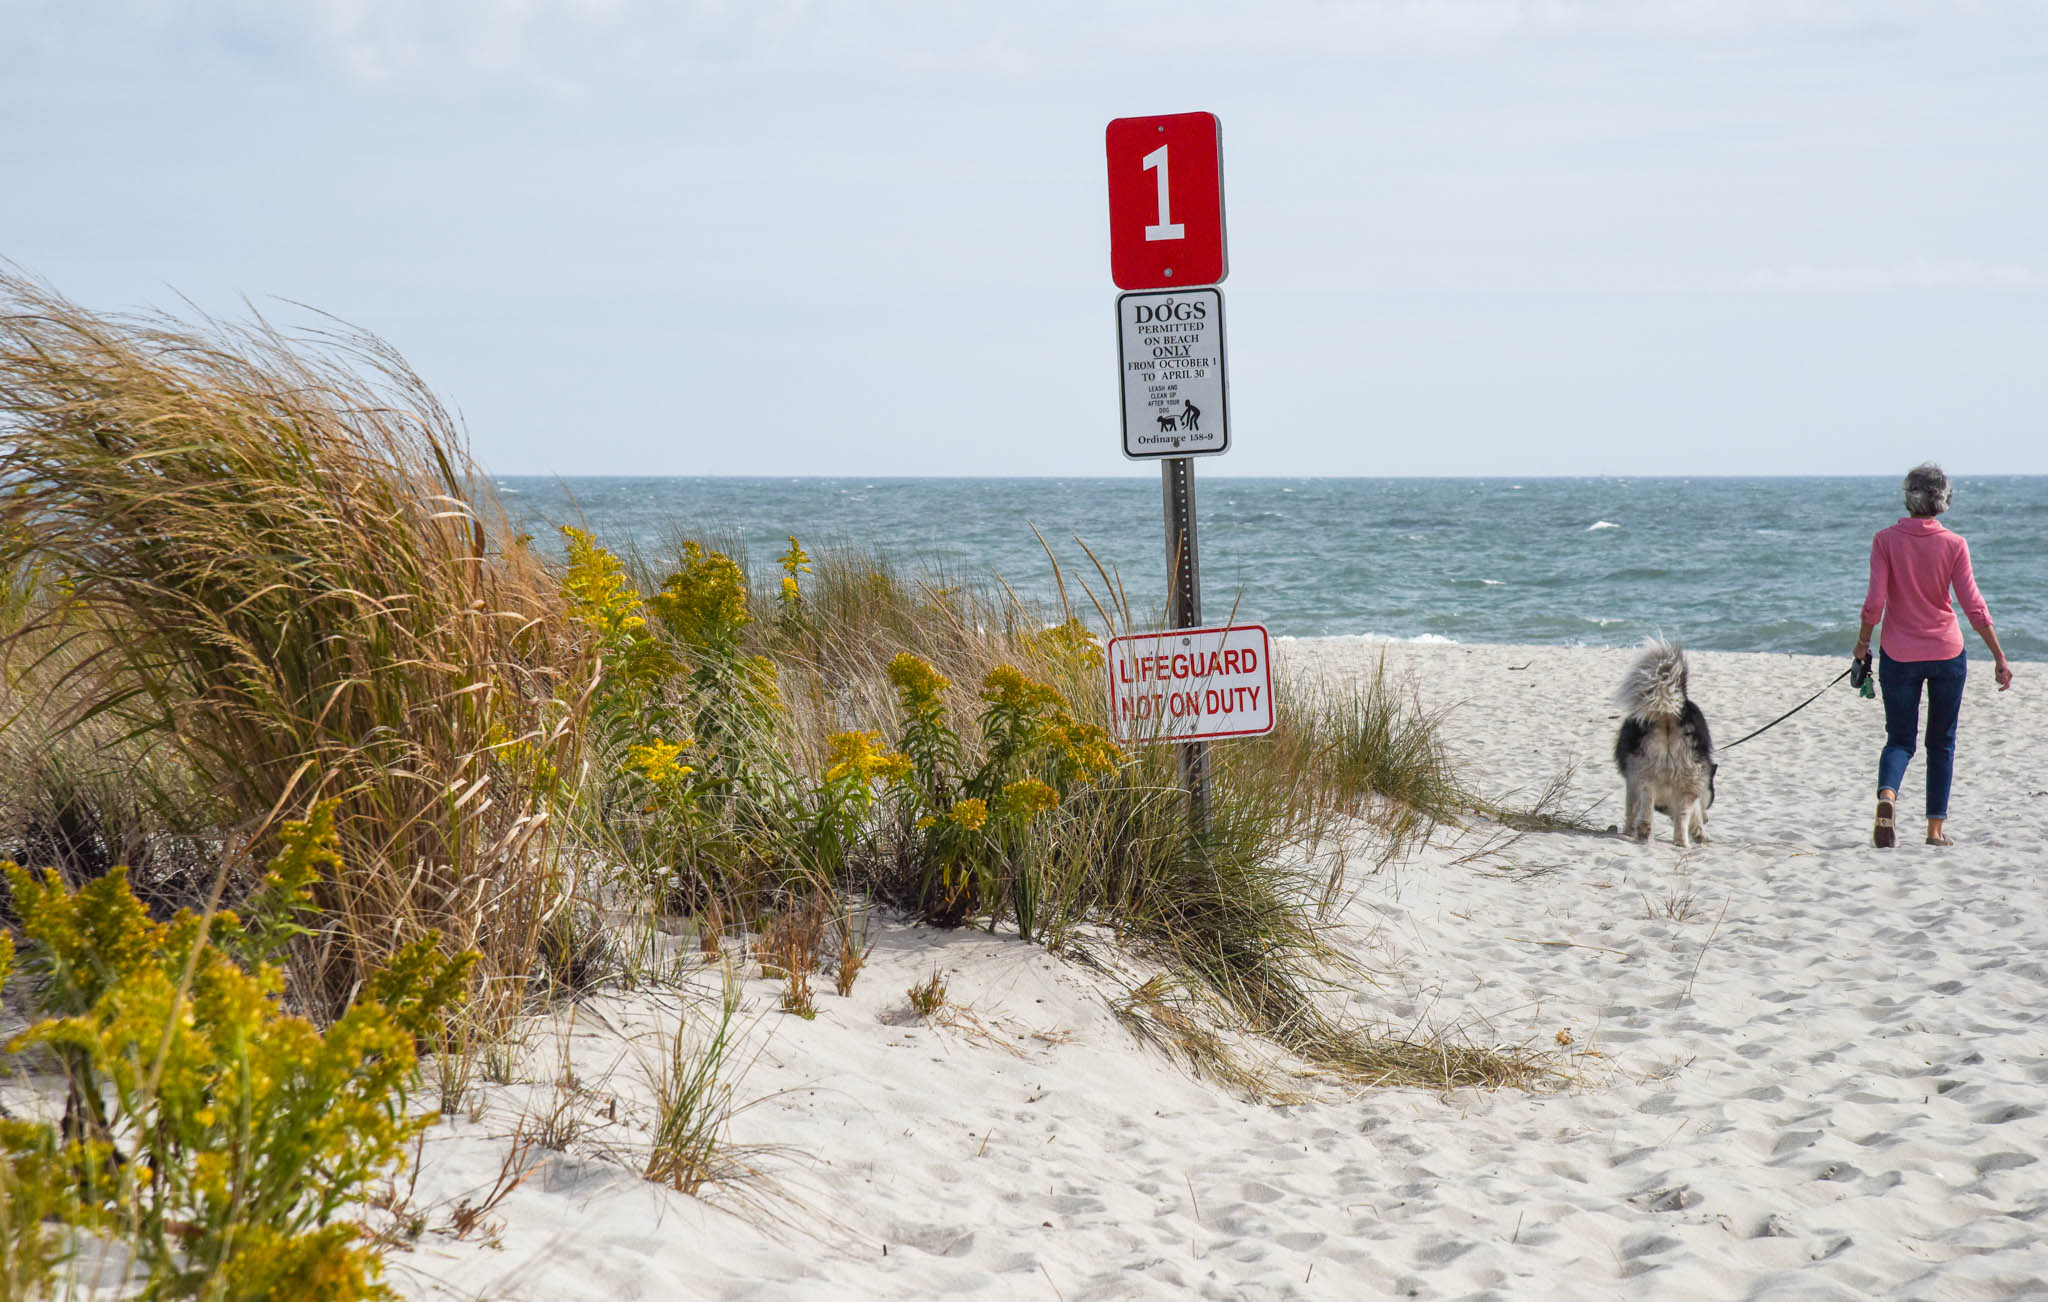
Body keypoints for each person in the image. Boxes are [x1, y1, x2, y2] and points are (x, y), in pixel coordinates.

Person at [1854, 463, 2014, 848]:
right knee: (1941, 742)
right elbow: (1973, 605)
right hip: (1946, 652)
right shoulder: (1954, 544)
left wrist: (1862, 642)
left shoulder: (1884, 541)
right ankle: (1934, 830)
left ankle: (1887, 798)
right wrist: (1999, 657)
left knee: (1899, 740)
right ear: (1944, 500)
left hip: (1899, 653)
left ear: (1908, 497)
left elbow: (1874, 603)